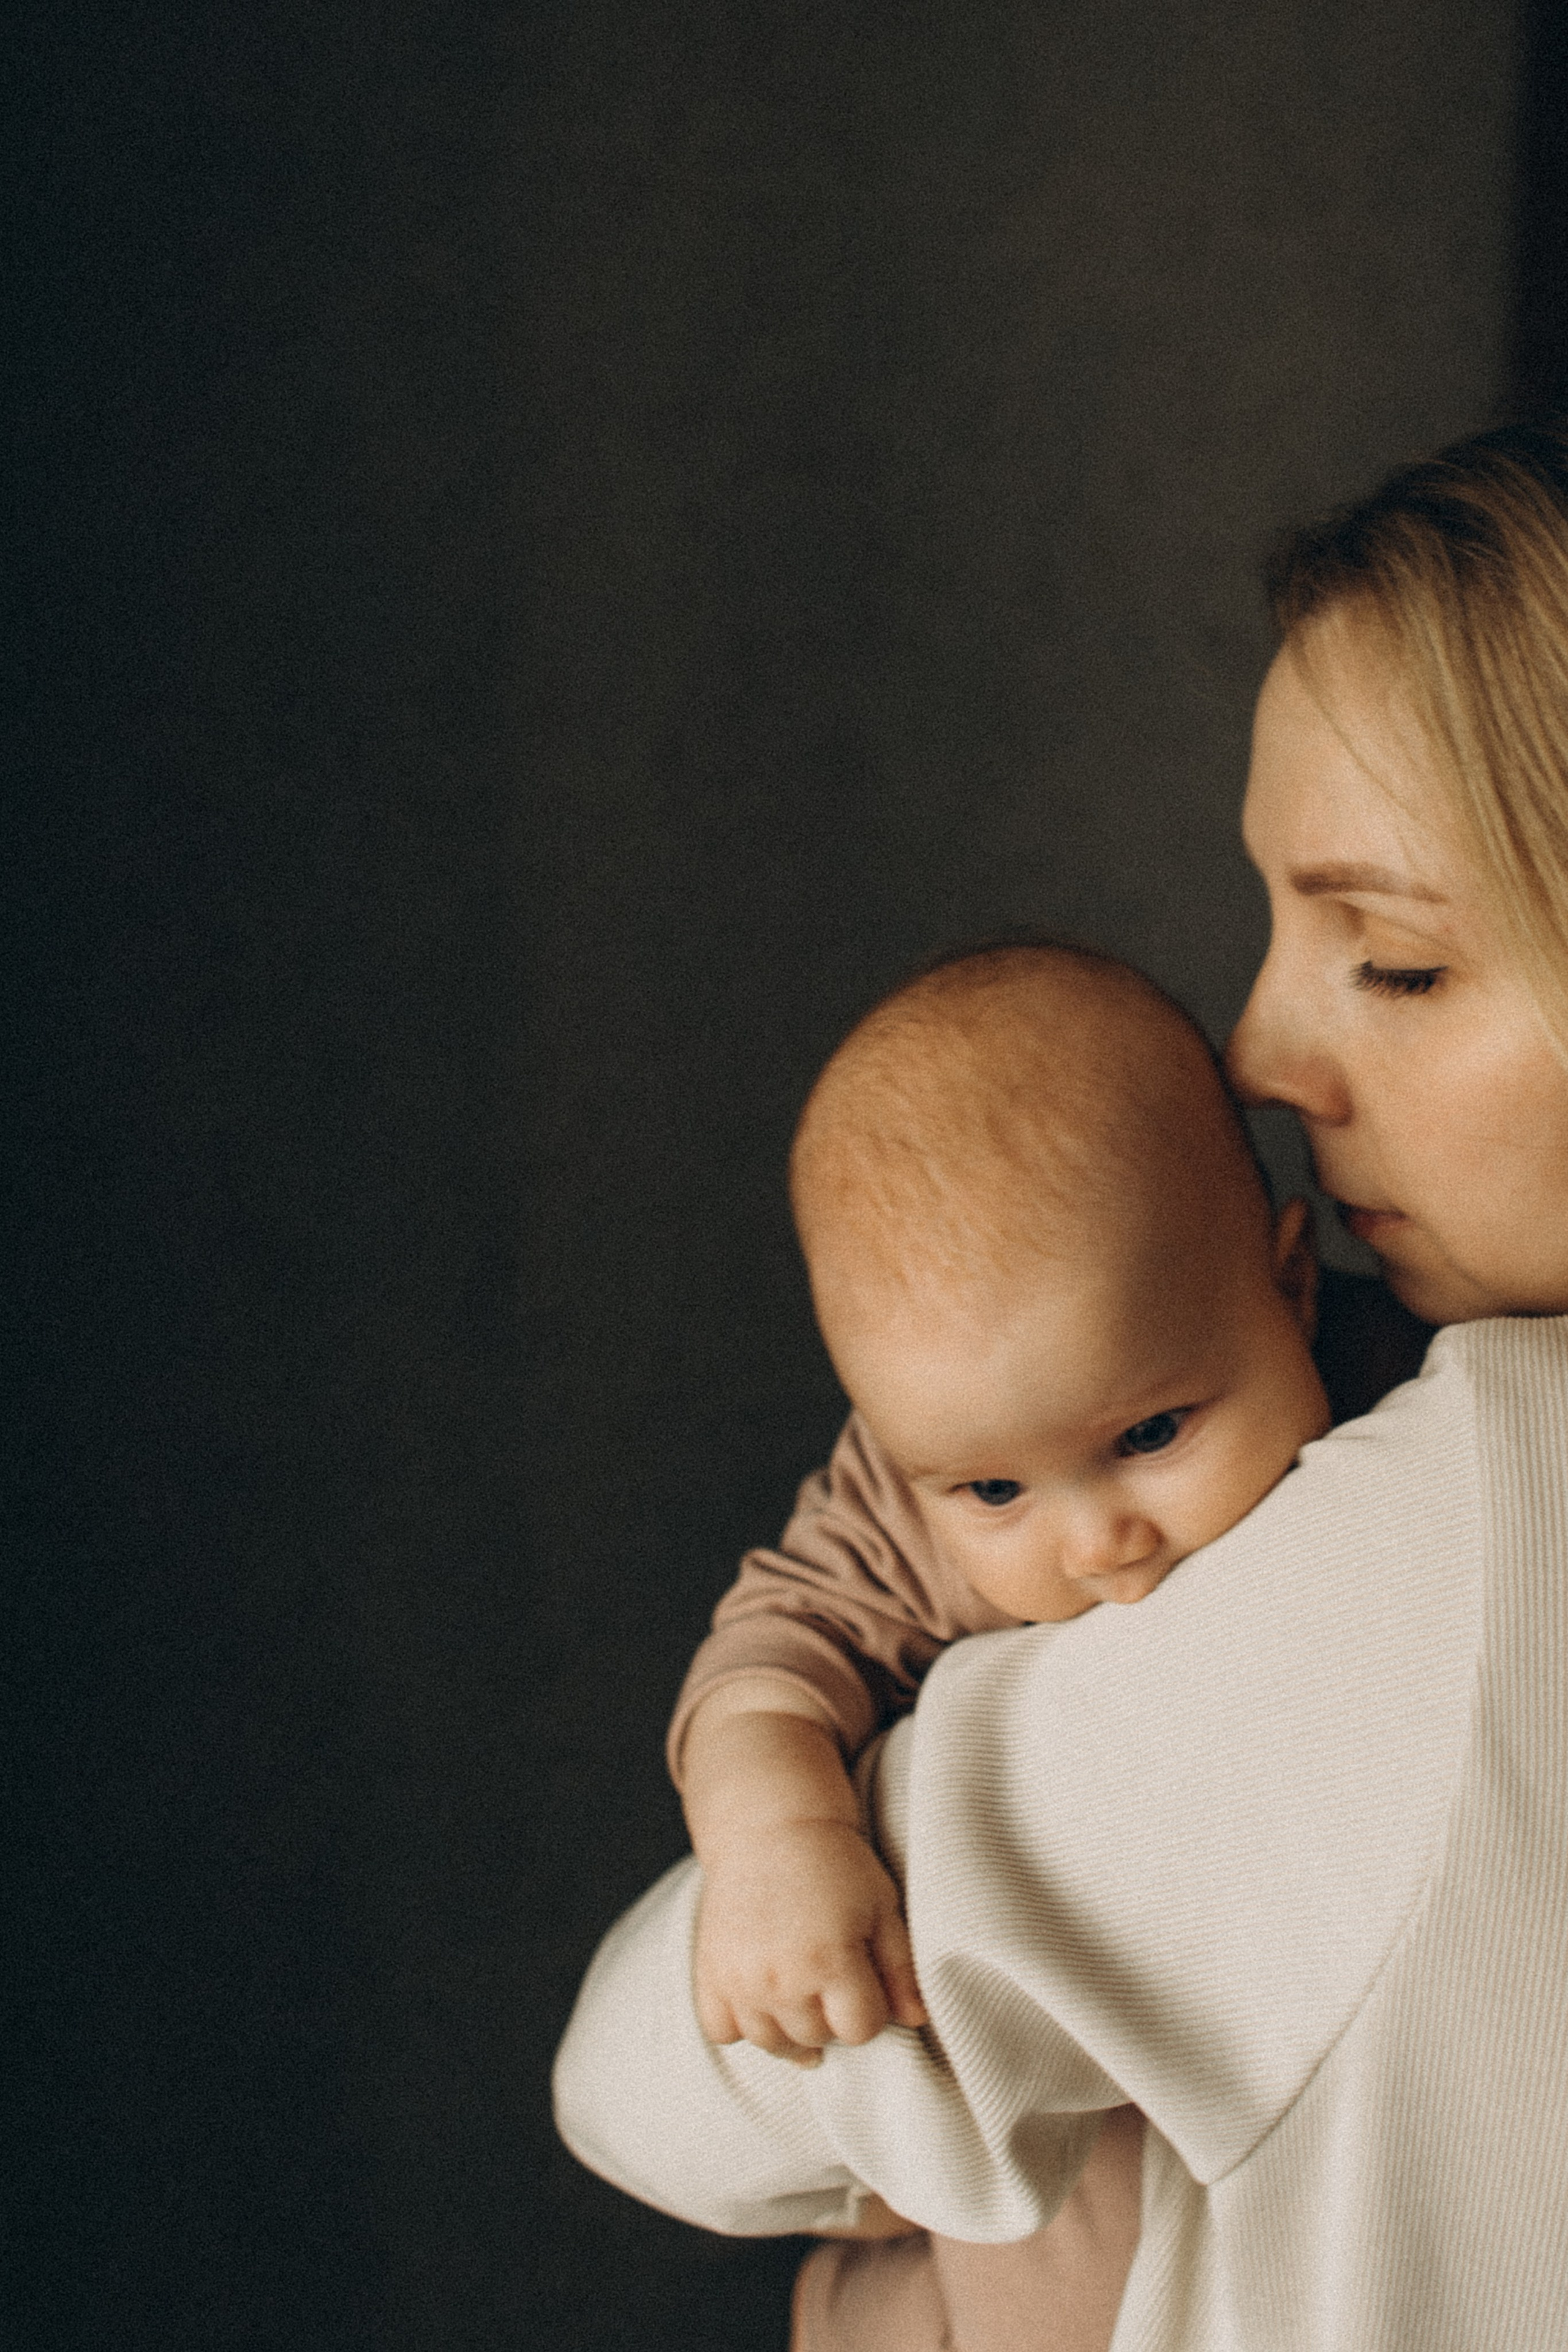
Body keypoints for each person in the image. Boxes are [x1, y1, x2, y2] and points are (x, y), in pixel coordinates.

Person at [554, 420, 1568, 2351]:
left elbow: (645, 2085)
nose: (1263, 1052)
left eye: (1400, 964)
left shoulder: (1462, 1539)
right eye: (1279, 922)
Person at [674, 941, 1330, 2079]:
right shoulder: (897, 1510)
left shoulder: (1418, 1392)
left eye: (1151, 1435)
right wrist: (780, 1839)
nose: (1096, 1543)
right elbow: (770, 1663)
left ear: (1293, 1292)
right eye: (992, 1492)